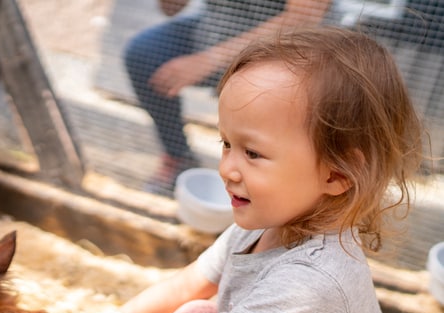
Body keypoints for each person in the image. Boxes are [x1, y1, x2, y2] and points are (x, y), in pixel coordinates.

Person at [39, 27, 422, 313]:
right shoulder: (268, 222)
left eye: (253, 152)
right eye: (225, 143)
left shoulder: (315, 278)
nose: (227, 168)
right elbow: (191, 283)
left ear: (337, 175)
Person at [125, 0, 331, 195]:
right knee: (145, 53)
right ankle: (178, 157)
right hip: (215, 30)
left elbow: (305, 17)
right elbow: (171, 10)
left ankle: (264, 182)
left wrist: (208, 60)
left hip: (283, 48)